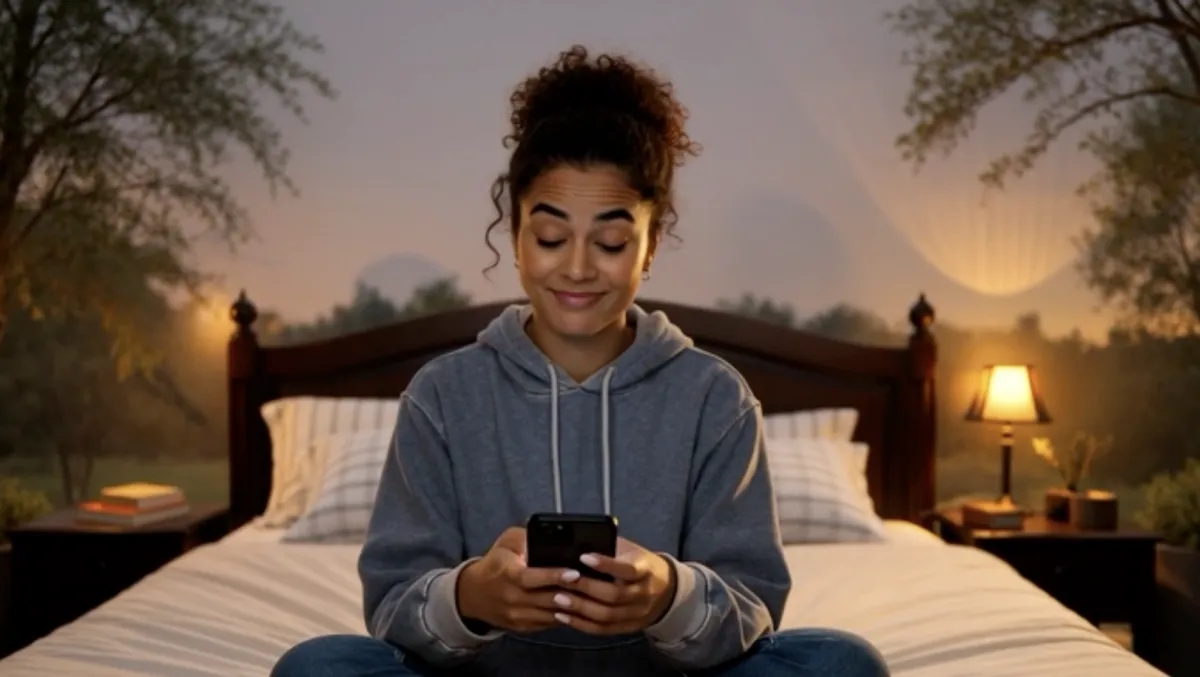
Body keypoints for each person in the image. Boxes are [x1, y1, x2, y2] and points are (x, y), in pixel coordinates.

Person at [271, 45, 889, 677]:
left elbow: (752, 604)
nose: (577, 267)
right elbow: (393, 603)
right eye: (550, 237)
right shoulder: (443, 395)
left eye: (612, 241)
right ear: (514, 236)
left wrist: (669, 596)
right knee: (317, 667)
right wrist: (472, 599)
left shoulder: (714, 398)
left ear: (649, 248)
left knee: (840, 662)